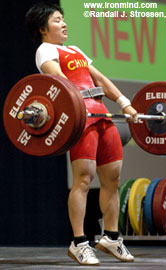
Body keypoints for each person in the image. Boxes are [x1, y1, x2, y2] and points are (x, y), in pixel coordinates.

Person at [25, 2, 137, 266]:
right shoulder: (46, 50)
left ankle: (110, 237)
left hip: (102, 116)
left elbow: (100, 79)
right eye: (56, 20)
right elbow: (63, 83)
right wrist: (78, 112)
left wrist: (124, 102)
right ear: (43, 29)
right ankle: (79, 242)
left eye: (63, 19)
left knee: (113, 177)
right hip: (81, 119)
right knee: (84, 180)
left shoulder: (75, 50)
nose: (63, 23)